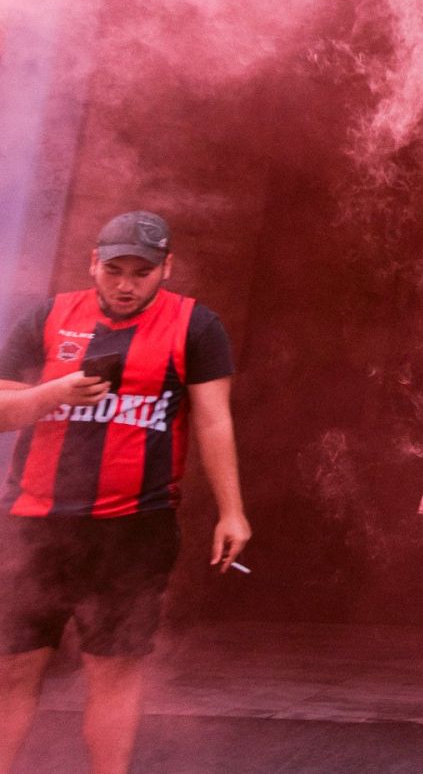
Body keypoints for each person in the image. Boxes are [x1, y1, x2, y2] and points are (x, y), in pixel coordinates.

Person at [0, 210, 249, 774]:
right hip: (33, 524)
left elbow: (214, 421)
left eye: (142, 271)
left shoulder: (196, 326)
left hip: (133, 528)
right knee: (12, 669)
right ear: (94, 263)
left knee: (114, 671)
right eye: (115, 269)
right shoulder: (47, 316)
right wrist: (56, 392)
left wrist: (233, 511)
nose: (126, 284)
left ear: (167, 268)